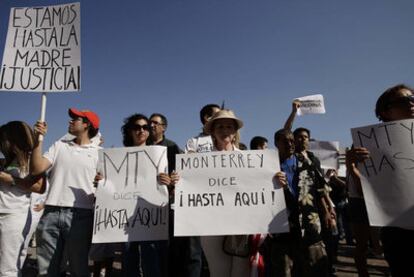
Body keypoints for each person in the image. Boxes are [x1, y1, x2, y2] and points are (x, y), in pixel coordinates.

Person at [348, 84, 414, 277]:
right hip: (400, 233)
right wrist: (352, 168)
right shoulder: (373, 145)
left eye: (413, 99)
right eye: (403, 101)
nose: (411, 104)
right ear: (385, 111)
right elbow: (368, 194)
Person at [30, 108, 101, 277]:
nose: (70, 121)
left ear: (87, 125)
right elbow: (36, 168)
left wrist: (102, 182)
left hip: (82, 216)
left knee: (78, 268)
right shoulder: (59, 145)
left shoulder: (100, 153)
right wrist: (38, 140)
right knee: (47, 270)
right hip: (51, 213)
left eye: (75, 119)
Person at [120, 113, 173, 277]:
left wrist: (168, 181)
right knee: (129, 258)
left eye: (145, 127)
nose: (141, 130)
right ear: (129, 131)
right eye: (136, 127)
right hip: (126, 214)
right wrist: (102, 180)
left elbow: (170, 183)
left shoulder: (159, 155)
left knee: (152, 258)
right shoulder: (119, 157)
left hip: (152, 214)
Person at [272, 128, 330, 277]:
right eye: (285, 141)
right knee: (284, 268)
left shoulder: (306, 162)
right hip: (281, 226)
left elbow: (320, 190)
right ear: (276, 143)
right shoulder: (269, 167)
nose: (290, 144)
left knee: (316, 266)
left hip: (309, 222)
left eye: (292, 140)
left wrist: (328, 212)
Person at [200, 109, 250, 277]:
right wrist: (181, 180)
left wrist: (275, 180)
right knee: (218, 272)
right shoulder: (200, 161)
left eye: (229, 126)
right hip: (211, 225)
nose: (225, 130)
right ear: (213, 131)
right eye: (220, 126)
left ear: (235, 131)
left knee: (241, 272)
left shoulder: (250, 160)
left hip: (242, 224)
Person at [0, 121, 45, 277]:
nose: (1, 143)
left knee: (7, 267)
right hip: (3, 212)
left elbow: (40, 187)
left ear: (14, 140)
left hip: (14, 215)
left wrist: (11, 179)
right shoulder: (5, 161)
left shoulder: (32, 161)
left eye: (4, 139)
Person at [147, 113, 183, 277]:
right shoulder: (141, 146)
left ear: (164, 127)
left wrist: (174, 179)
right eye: (150, 123)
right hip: (141, 204)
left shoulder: (172, 147)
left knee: (165, 248)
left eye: (155, 123)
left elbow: (181, 173)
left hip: (165, 205)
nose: (151, 125)